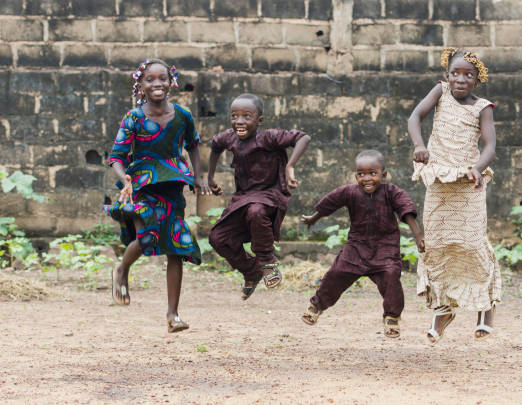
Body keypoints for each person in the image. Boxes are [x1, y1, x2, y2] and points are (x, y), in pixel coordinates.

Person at [104, 59, 208, 333]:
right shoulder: (134, 117)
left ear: (171, 81)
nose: (157, 84)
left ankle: (173, 315)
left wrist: (198, 177)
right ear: (141, 85)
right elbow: (116, 157)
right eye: (150, 80)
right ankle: (122, 271)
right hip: (141, 187)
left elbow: (194, 145)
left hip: (172, 186)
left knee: (177, 246)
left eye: (162, 78)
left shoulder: (183, 115)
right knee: (147, 236)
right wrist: (123, 177)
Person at [408, 48, 501, 343]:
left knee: (472, 243)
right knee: (437, 245)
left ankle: (485, 309)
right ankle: (443, 310)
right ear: (446, 76)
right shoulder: (440, 92)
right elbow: (415, 117)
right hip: (439, 180)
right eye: (455, 74)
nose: (460, 80)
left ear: (477, 79)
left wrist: (477, 168)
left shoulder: (483, 107)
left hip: (468, 184)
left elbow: (489, 147)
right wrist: (419, 145)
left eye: (468, 75)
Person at [301, 150, 425, 338]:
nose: (367, 178)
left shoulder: (391, 192)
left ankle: (392, 317)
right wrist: (313, 218)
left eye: (372, 173)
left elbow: (405, 208)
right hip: (356, 248)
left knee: (391, 276)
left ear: (383, 174)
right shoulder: (350, 192)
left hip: (385, 248)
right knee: (336, 273)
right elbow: (330, 202)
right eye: (361, 174)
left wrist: (417, 235)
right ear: (356, 175)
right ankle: (316, 306)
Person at [207, 93, 311, 299]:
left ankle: (267, 261)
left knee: (256, 211)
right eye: (234, 116)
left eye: (247, 116)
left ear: (259, 120)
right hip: (243, 197)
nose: (240, 121)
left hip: (270, 195)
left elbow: (303, 137)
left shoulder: (269, 137)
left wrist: (290, 166)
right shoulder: (230, 137)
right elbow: (215, 145)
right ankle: (251, 271)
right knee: (218, 238)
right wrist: (210, 177)